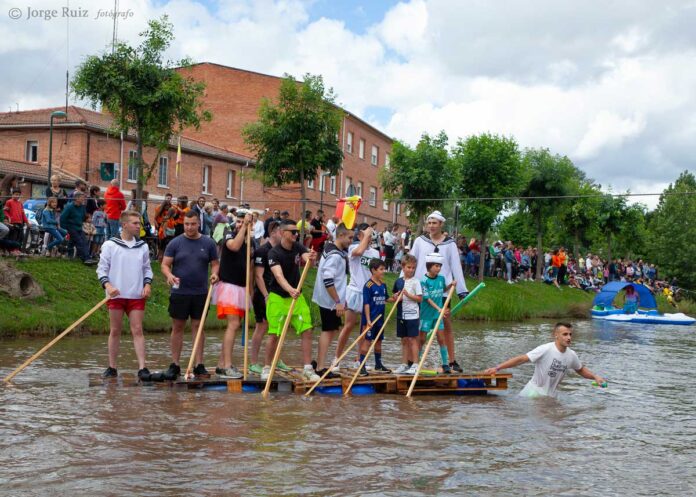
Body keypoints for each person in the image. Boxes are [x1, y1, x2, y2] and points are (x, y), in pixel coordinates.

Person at [161, 210, 220, 379]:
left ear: (198, 224)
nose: (189, 227)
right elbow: (165, 265)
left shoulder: (208, 243)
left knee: (198, 327)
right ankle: (175, 364)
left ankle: (199, 364)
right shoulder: (175, 243)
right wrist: (169, 275)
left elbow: (215, 264)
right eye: (187, 224)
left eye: (193, 224)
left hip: (200, 292)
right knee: (178, 326)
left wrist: (215, 274)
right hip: (180, 292)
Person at [409, 210, 468, 373]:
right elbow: (411, 261)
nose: (431, 226)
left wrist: (462, 290)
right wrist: (404, 283)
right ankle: (413, 361)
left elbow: (456, 267)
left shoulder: (450, 244)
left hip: (443, 292)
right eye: (429, 223)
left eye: (434, 223)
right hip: (423, 291)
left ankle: (451, 361)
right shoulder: (420, 241)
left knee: (445, 326)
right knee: (419, 326)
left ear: (441, 224)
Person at [97, 210, 153, 380]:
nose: (139, 226)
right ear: (124, 225)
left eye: (139, 223)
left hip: (136, 295)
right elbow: (102, 268)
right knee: (115, 330)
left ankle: (143, 367)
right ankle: (112, 367)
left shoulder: (142, 246)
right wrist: (108, 285)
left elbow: (147, 268)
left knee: (137, 329)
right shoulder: (110, 245)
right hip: (116, 295)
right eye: (135, 223)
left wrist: (147, 284)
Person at [483, 322, 606, 398]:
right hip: (533, 393)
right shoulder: (546, 349)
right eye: (565, 334)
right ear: (556, 335)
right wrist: (497, 368)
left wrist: (595, 377)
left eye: (570, 334)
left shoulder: (571, 355)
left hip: (549, 396)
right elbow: (521, 359)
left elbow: (581, 370)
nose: (568, 337)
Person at [262, 220, 318, 381]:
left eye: (297, 232)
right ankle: (267, 367)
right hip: (279, 296)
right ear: (282, 233)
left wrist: (311, 257)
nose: (296, 235)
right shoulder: (274, 253)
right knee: (274, 334)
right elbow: (278, 276)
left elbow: (306, 256)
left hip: (296, 296)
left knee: (307, 329)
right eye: (292, 232)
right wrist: (290, 289)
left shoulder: (297, 246)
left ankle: (307, 368)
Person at [212, 210, 253, 379]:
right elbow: (234, 246)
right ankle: (227, 365)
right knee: (233, 324)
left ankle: (222, 365)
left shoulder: (250, 242)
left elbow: (249, 267)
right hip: (229, 287)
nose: (240, 224)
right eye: (239, 221)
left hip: (242, 288)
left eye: (244, 221)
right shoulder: (229, 234)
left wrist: (250, 291)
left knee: (236, 326)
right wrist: (243, 226)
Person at [332, 223, 379, 369]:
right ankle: (336, 359)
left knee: (365, 328)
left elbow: (377, 274)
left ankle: (360, 360)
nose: (369, 238)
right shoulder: (353, 247)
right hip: (354, 291)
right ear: (360, 235)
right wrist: (365, 235)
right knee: (348, 326)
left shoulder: (375, 253)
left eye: (371, 236)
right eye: (366, 235)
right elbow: (359, 252)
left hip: (368, 294)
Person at [248, 221, 289, 375]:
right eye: (281, 232)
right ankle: (253, 363)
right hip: (263, 295)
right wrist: (266, 296)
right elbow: (258, 276)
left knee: (277, 327)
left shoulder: (281, 250)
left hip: (277, 294)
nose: (284, 235)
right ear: (273, 232)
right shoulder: (262, 250)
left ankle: (275, 359)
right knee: (262, 326)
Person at [311, 223, 351, 378]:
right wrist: (338, 301)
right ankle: (320, 367)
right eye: (349, 237)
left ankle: (319, 362)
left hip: (329, 299)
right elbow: (328, 279)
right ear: (340, 236)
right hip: (330, 301)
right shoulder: (335, 255)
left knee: (331, 330)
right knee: (328, 331)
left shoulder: (330, 247)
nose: (350, 241)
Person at [358, 258, 398, 375]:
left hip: (380, 320)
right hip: (370, 320)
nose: (383, 271)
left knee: (379, 341)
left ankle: (378, 365)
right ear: (373, 270)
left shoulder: (383, 285)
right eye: (381, 269)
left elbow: (387, 299)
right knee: (367, 342)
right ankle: (362, 366)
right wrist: (368, 320)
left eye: (384, 269)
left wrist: (395, 298)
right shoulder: (368, 285)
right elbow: (366, 304)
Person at [420, 252, 455, 373]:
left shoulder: (441, 278)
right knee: (422, 339)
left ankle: (445, 363)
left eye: (440, 266)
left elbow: (443, 290)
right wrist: (439, 309)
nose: (439, 268)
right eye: (436, 266)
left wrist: (451, 285)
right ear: (429, 266)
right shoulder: (424, 280)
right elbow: (427, 298)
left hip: (437, 315)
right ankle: (417, 362)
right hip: (426, 314)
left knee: (441, 338)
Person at [392, 253, 422, 375]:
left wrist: (408, 295)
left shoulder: (416, 282)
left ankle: (415, 364)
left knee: (412, 339)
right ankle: (404, 364)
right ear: (403, 267)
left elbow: (420, 299)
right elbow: (396, 295)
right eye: (409, 267)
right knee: (404, 340)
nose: (411, 270)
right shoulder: (398, 281)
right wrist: (395, 296)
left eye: (413, 268)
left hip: (412, 315)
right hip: (401, 314)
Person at [60, 192, 97, 265]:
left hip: (79, 227)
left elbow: (83, 217)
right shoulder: (69, 207)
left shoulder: (82, 207)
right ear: (76, 198)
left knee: (83, 241)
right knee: (79, 242)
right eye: (82, 197)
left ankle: (71, 255)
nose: (84, 199)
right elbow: (62, 218)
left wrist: (87, 219)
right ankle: (86, 259)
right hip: (71, 227)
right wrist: (65, 227)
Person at [3, 189, 28, 254]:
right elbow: (5, 211)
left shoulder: (20, 203)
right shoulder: (9, 202)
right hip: (13, 223)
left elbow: (23, 214)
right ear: (12, 194)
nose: (17, 196)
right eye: (16, 194)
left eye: (19, 195)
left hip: (20, 222)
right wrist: (9, 218)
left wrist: (27, 222)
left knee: (20, 237)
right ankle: (12, 250)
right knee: (13, 237)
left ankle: (17, 249)